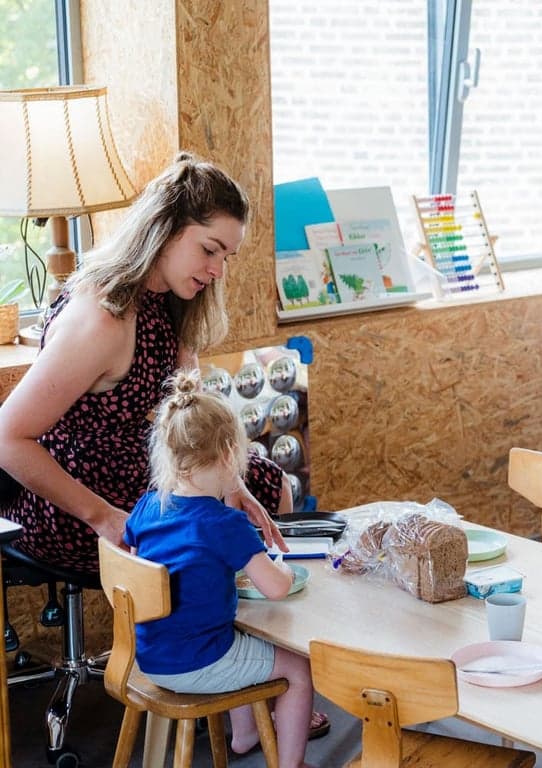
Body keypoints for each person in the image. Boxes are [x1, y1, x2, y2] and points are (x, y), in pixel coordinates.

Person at [0, 152, 330, 739]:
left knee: (261, 478)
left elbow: (195, 423)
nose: (218, 269)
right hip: (76, 499)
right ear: (164, 228)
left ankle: (239, 679)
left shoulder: (170, 305)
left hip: (145, 477)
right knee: (216, 515)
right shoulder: (105, 319)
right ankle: (235, 679)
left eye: (227, 255)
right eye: (209, 249)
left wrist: (237, 487)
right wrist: (102, 516)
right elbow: (8, 439)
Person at [126, 372, 314, 766]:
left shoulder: (148, 506)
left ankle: (244, 734)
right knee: (297, 667)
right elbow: (276, 588)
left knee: (233, 631)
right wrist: (280, 570)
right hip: (197, 661)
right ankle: (292, 764)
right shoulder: (223, 525)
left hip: (148, 656)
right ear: (230, 456)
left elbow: (137, 552)